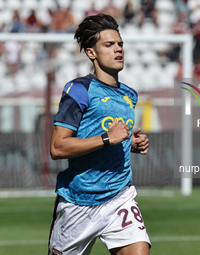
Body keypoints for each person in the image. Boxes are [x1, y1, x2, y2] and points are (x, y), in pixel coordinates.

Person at [48, 13, 151, 255]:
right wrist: (107, 139)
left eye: (120, 44)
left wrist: (129, 144)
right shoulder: (79, 90)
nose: (118, 49)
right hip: (78, 202)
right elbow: (57, 148)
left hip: (119, 196)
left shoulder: (129, 95)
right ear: (91, 53)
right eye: (109, 45)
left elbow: (115, 136)